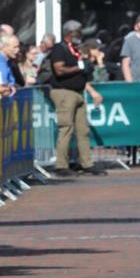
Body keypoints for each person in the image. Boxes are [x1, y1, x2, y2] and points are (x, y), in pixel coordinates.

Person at [49, 22, 106, 176]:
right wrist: (80, 68)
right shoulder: (58, 49)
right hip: (64, 92)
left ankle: (86, 163)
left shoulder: (75, 50)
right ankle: (61, 165)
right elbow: (59, 70)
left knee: (83, 130)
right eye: (78, 32)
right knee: (66, 128)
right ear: (70, 32)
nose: (80, 35)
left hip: (78, 91)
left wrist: (87, 67)